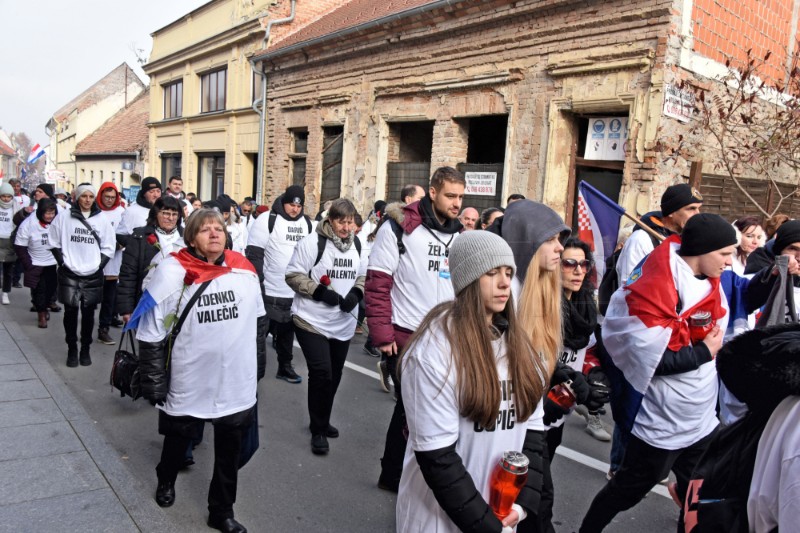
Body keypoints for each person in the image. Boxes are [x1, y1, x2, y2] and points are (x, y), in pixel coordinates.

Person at [579, 214, 745, 532]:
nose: (729, 261)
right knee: (627, 491)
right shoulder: (654, 287)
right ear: (702, 249)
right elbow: (650, 362)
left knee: (699, 492)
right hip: (661, 422)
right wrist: (702, 352)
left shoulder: (711, 281)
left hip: (700, 419)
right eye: (724, 253)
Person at [396, 230, 547, 532]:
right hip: (438, 520)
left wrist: (521, 504)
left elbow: (533, 435)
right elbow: (438, 459)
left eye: (508, 272)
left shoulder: (520, 347)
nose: (505, 282)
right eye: (491, 273)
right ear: (467, 280)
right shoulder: (434, 350)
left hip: (501, 515)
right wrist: (487, 525)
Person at [130, 208, 266, 533]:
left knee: (229, 450)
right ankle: (166, 479)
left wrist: (258, 366)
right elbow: (151, 332)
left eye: (218, 228)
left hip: (235, 381)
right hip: (190, 378)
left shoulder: (243, 269)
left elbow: (258, 322)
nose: (214, 234)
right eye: (205, 230)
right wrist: (153, 381)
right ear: (191, 237)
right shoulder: (172, 271)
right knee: (178, 440)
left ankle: (221, 511)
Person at [488, 199, 588, 533]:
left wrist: (563, 374)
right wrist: (532, 397)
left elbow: (534, 355)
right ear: (527, 240)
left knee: (537, 501)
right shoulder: (501, 295)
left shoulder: (543, 289)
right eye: (552, 240)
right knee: (531, 503)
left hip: (530, 422)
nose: (561, 248)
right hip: (498, 426)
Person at [366, 166, 465, 492]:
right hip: (405, 334)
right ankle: (396, 473)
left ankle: (402, 471)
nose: (456, 203)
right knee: (411, 405)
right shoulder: (398, 228)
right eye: (451, 195)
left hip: (446, 336)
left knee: (421, 407)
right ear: (432, 192)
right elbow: (378, 284)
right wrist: (382, 334)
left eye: (461, 197)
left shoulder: (459, 234)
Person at [285, 199, 368, 454]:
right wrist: (320, 292)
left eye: (350, 221)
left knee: (335, 375)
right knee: (322, 373)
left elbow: (363, 275)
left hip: (342, 322)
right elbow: (293, 275)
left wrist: (356, 293)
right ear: (330, 220)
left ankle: (322, 418)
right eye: (341, 222)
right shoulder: (312, 243)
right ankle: (318, 430)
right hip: (311, 320)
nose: (346, 227)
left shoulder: (357, 243)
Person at [245, 184, 313, 384]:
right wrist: (258, 284)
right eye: (292, 204)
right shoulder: (268, 220)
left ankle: (285, 367)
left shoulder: (307, 224)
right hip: (269, 290)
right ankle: (248, 371)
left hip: (293, 292)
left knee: (286, 334)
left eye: (299, 206)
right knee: (258, 334)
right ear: (284, 202)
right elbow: (254, 255)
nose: (295, 209)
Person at [47, 184, 115, 367]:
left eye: (90, 197)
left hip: (92, 272)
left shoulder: (101, 219)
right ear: (76, 197)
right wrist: (62, 262)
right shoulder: (64, 217)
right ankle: (72, 348)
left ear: (94, 198)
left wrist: (98, 266)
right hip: (69, 271)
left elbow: (109, 246)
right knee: (70, 312)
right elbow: (53, 241)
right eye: (83, 196)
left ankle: (85, 348)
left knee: (88, 313)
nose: (87, 200)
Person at [553, 238, 611, 445]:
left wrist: (595, 376)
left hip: (564, 405)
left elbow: (590, 350)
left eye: (584, 264)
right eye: (569, 264)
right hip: (539, 407)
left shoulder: (586, 304)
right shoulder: (545, 305)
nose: (578, 271)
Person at [117, 196, 185, 324]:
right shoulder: (140, 237)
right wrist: (126, 309)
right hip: (148, 302)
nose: (170, 218)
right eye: (165, 213)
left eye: (174, 214)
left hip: (178, 304)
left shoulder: (186, 237)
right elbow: (128, 274)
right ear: (156, 213)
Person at [616, 183, 703, 283]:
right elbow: (629, 288)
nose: (697, 214)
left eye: (698, 208)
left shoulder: (686, 240)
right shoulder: (641, 240)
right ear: (671, 211)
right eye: (691, 208)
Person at [14, 199, 59, 328]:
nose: (50, 216)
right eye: (47, 213)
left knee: (50, 289)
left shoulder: (57, 222)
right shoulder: (29, 224)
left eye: (52, 213)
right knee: (39, 290)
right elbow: (19, 246)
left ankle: (44, 308)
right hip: (35, 262)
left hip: (51, 262)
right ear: (40, 212)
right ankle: (41, 314)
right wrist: (28, 264)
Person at [95, 182, 125, 344]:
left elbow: (127, 233)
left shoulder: (121, 212)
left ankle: (104, 328)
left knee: (109, 296)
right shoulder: (94, 212)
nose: (109, 200)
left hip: (114, 261)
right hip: (94, 260)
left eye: (112, 197)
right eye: (106, 197)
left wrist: (119, 245)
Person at [117, 177, 162, 247]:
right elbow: (120, 234)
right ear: (144, 194)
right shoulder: (131, 211)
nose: (156, 195)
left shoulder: (165, 210)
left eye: (158, 191)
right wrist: (137, 245)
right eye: (151, 192)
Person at [0, 183, 18, 305]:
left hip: (10, 241)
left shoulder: (15, 208)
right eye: (3, 196)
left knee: (8, 270)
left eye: (8, 196)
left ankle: (5, 293)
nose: (6, 198)